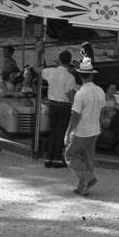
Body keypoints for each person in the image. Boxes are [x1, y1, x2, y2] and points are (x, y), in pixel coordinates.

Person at [64, 54, 106, 196]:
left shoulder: (80, 94)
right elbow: (102, 111)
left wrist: (68, 132)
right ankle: (83, 187)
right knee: (88, 159)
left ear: (80, 75)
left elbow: (75, 115)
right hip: (94, 129)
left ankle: (88, 179)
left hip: (82, 130)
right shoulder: (100, 91)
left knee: (70, 156)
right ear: (92, 75)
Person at [42, 50, 76, 168]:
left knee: (52, 131)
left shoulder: (50, 72)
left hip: (52, 104)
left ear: (59, 60)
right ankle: (57, 158)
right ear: (69, 62)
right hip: (64, 105)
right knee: (60, 132)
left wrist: (38, 51)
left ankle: (48, 157)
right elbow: (70, 94)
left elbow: (36, 69)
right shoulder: (70, 77)